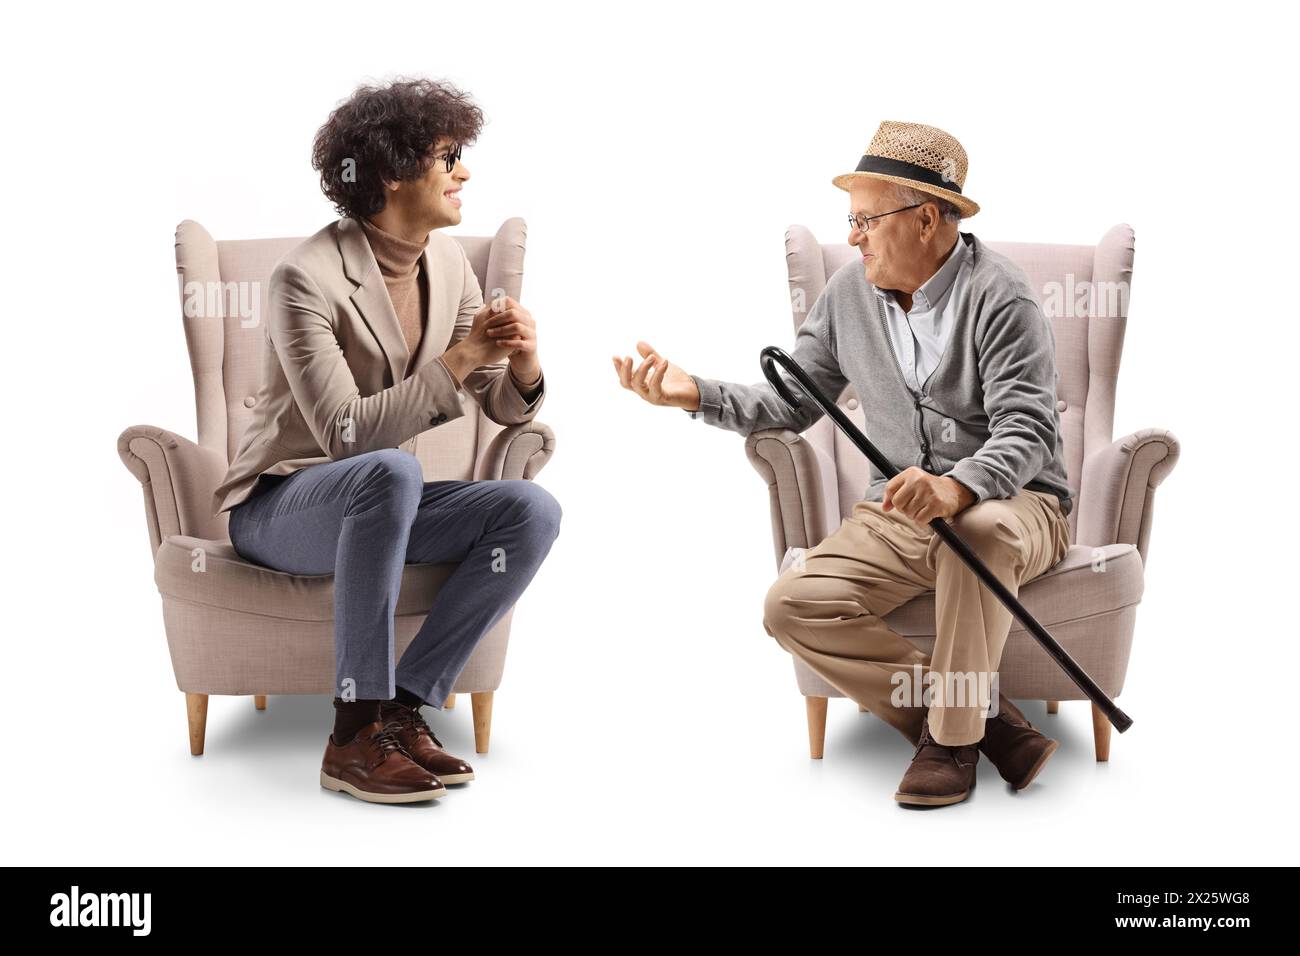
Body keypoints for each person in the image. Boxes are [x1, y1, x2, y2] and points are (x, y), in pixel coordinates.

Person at [613, 121, 1071, 808]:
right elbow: (791, 401)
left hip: (1014, 504)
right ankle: (988, 724)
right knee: (792, 606)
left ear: (924, 219)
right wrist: (694, 392)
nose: (853, 236)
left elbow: (1027, 426)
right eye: (850, 221)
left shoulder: (1002, 294)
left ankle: (951, 744)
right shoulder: (849, 294)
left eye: (865, 220)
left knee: (975, 537)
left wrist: (957, 486)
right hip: (899, 513)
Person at [211, 78, 562, 804]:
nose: (464, 172)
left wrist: (523, 366)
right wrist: (462, 359)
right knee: (386, 475)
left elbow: (496, 403)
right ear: (394, 171)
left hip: (380, 503)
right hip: (282, 510)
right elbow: (345, 434)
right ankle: (351, 730)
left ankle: (401, 712)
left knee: (530, 511)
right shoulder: (303, 279)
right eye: (448, 156)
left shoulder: (447, 264)